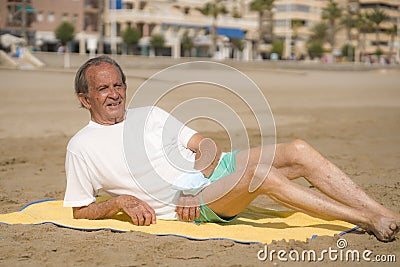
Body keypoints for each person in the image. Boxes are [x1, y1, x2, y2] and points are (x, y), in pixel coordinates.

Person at [64, 55, 399, 242]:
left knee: (297, 149)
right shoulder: (82, 147)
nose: (114, 94)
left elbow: (205, 145)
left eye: (118, 85)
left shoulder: (150, 114)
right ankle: (366, 219)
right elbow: (80, 210)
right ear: (85, 99)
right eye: (103, 88)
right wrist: (120, 202)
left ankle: (385, 213)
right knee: (259, 174)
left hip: (211, 175)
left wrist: (197, 175)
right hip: (189, 207)